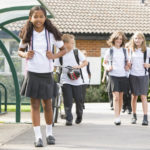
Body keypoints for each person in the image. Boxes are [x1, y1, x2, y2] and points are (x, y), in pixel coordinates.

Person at [18, 6, 66, 147]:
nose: (38, 19)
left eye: (41, 16)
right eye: (35, 16)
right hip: (33, 73)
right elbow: (20, 51)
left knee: (48, 105)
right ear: (30, 18)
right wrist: (25, 54)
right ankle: (38, 137)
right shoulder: (28, 34)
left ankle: (49, 134)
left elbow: (63, 50)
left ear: (45, 18)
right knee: (34, 105)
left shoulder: (51, 34)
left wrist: (54, 55)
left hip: (47, 74)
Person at [54, 34, 88, 126]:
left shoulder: (76, 52)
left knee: (78, 99)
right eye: (72, 43)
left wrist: (78, 66)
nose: (73, 44)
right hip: (65, 79)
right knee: (68, 99)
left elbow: (85, 62)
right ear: (65, 43)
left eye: (73, 43)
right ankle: (69, 119)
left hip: (77, 79)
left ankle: (79, 115)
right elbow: (55, 65)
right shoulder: (60, 53)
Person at [103, 31, 129, 125]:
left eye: (121, 39)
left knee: (121, 97)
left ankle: (118, 115)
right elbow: (104, 63)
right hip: (113, 75)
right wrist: (107, 67)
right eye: (117, 39)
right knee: (116, 97)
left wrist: (127, 66)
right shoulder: (109, 51)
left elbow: (127, 63)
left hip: (123, 75)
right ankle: (116, 117)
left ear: (123, 41)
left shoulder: (125, 51)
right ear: (114, 40)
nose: (119, 40)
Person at [128, 32, 150, 126]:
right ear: (133, 39)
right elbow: (128, 63)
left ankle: (145, 117)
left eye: (139, 38)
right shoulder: (130, 50)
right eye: (136, 38)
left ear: (143, 40)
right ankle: (134, 115)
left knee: (143, 96)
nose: (137, 40)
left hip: (143, 75)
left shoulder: (147, 50)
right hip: (133, 75)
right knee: (134, 96)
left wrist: (149, 65)